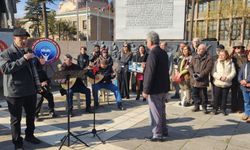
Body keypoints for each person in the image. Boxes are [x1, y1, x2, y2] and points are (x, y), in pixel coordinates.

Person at [0, 28, 41, 150]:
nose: (24, 41)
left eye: (26, 38)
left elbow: (34, 69)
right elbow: (6, 69)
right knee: (15, 119)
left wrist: (39, 61)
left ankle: (30, 135)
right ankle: (17, 143)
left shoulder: (29, 51)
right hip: (15, 92)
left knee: (31, 115)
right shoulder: (6, 53)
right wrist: (24, 59)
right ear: (14, 39)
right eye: (21, 38)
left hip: (30, 90)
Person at [143, 31, 170, 142]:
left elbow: (150, 73)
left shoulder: (153, 54)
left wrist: (145, 90)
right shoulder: (163, 53)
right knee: (162, 111)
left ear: (151, 41)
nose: (146, 43)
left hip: (154, 89)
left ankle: (157, 134)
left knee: (155, 112)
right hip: (163, 87)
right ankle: (164, 130)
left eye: (146, 41)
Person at [189, 44, 213, 114]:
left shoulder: (208, 58)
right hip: (194, 80)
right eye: (198, 48)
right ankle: (196, 106)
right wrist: (192, 73)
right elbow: (190, 66)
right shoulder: (194, 57)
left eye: (201, 49)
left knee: (203, 95)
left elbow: (208, 68)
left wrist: (201, 75)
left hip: (202, 80)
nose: (199, 50)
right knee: (194, 94)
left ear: (205, 50)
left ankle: (204, 107)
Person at [212, 50, 236, 115]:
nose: (221, 56)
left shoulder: (231, 63)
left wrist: (227, 78)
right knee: (216, 97)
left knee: (224, 97)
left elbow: (233, 72)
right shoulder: (216, 62)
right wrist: (219, 77)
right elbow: (213, 72)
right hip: (218, 82)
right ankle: (215, 109)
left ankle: (223, 109)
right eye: (220, 55)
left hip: (226, 83)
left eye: (223, 55)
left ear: (226, 55)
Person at [34, 56, 57, 121]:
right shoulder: (30, 72)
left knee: (50, 95)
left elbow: (48, 80)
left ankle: (51, 111)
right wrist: (40, 84)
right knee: (39, 98)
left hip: (43, 89)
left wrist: (46, 82)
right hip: (34, 90)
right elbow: (30, 83)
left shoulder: (42, 71)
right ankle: (35, 114)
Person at [230, 42, 247, 113]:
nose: (237, 49)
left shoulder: (246, 57)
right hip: (234, 76)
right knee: (233, 92)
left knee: (241, 93)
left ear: (242, 48)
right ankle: (233, 107)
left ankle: (240, 107)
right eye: (236, 47)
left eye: (239, 47)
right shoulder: (232, 57)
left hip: (243, 77)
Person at [238, 51, 250, 123]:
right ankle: (247, 114)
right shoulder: (244, 65)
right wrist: (241, 81)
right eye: (248, 55)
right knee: (246, 101)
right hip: (244, 86)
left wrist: (246, 81)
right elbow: (240, 74)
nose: (249, 56)